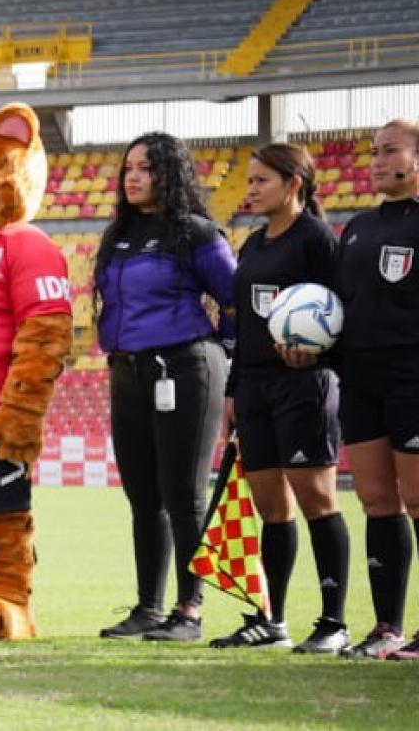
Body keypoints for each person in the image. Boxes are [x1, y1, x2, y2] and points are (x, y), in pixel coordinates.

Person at [208, 143, 352, 653]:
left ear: (293, 185)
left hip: (302, 387)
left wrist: (315, 357)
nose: (250, 190)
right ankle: (270, 620)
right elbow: (244, 323)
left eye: (261, 181)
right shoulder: (252, 245)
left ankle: (334, 622)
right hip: (253, 388)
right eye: (248, 181)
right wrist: (232, 389)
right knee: (271, 507)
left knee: (316, 500)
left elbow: (338, 311)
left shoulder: (316, 239)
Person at [93, 133, 236, 643]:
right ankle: (148, 609)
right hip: (128, 373)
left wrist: (228, 366)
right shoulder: (120, 235)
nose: (133, 177)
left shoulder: (195, 233)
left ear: (169, 175)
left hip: (186, 368)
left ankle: (189, 611)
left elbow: (235, 301)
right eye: (129, 167)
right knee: (143, 496)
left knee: (184, 495)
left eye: (147, 169)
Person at [333, 118, 419, 661]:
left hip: (412, 376)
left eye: (390, 151)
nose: (377, 160)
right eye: (373, 152)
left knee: (418, 500)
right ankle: (387, 628)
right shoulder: (359, 228)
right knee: (377, 501)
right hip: (359, 379)